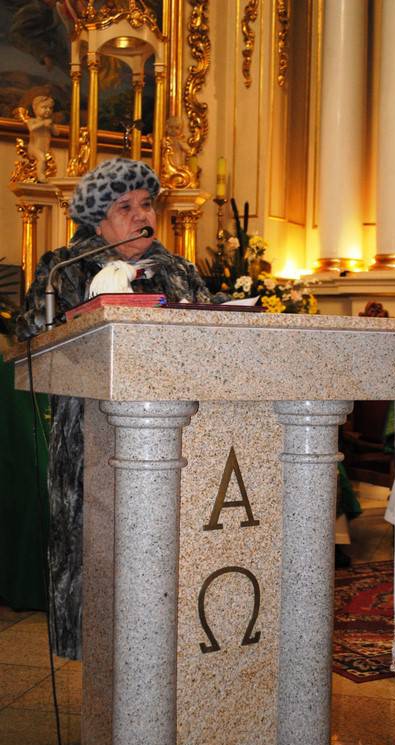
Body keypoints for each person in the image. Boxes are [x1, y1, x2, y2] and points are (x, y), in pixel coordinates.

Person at [16, 157, 218, 659]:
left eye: (146, 204)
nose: (141, 215)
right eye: (124, 207)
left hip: (181, 429)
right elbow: (31, 334)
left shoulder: (178, 270)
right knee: (101, 550)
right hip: (91, 433)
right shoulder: (64, 268)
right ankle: (105, 655)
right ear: (96, 221)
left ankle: (173, 644)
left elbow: (215, 335)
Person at [26, 95, 58, 182]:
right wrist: (43, 123)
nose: (48, 110)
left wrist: (51, 126)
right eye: (44, 107)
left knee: (48, 161)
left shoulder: (49, 122)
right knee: (42, 159)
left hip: (46, 149)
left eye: (50, 108)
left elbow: (56, 133)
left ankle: (44, 175)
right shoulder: (33, 121)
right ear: (35, 108)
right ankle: (41, 177)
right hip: (34, 148)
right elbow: (31, 128)